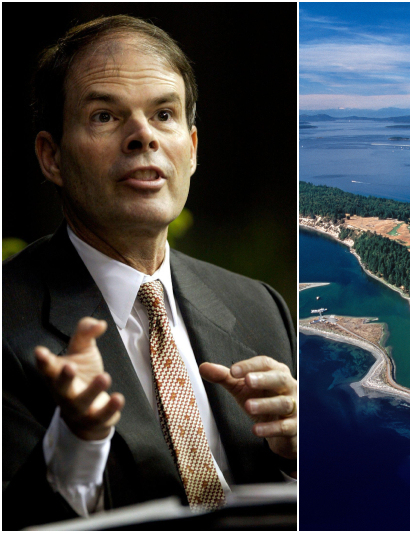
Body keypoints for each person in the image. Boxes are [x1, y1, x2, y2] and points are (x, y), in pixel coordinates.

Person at [3, 15, 296, 529]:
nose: (143, 136)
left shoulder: (260, 306)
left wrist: (300, 458)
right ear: (51, 157)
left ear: (193, 148)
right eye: (104, 117)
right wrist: (78, 442)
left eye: (164, 113)